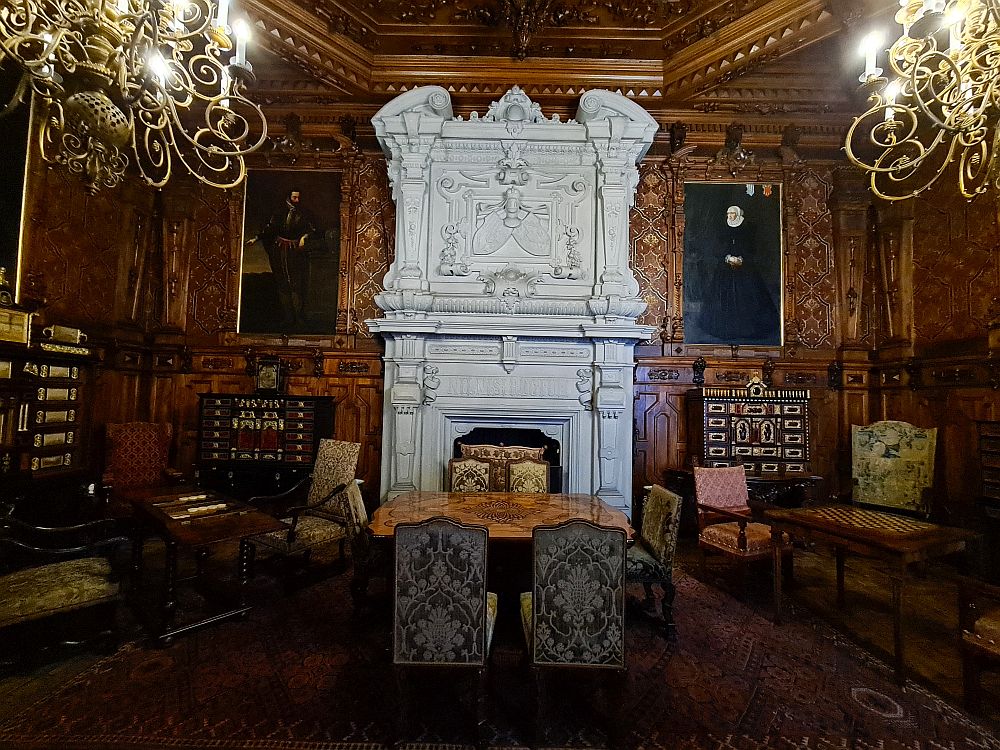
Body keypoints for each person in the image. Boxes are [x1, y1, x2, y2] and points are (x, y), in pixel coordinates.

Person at [697, 204, 781, 344]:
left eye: (732, 213)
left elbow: (753, 249)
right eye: (728, 213)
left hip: (745, 268)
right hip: (725, 269)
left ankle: (748, 330)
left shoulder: (748, 228)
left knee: (749, 296)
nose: (729, 215)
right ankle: (727, 330)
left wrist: (742, 259)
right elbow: (717, 249)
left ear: (737, 214)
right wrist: (727, 257)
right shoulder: (722, 229)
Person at [246, 189, 317, 326]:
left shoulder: (304, 213)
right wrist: (256, 238)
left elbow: (312, 229)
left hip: (295, 251)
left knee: (296, 283)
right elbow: (270, 228)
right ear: (288, 197)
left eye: (298, 198)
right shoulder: (279, 212)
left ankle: (298, 317)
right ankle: (288, 317)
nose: (296, 200)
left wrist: (304, 237)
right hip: (279, 250)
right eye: (294, 198)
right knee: (283, 283)